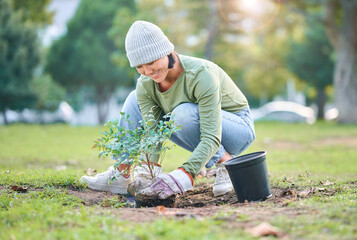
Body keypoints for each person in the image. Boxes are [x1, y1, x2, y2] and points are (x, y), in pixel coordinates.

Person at [80, 20, 255, 199]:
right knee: (134, 98)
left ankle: (226, 164)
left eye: (151, 62)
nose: (148, 71)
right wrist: (148, 170)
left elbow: (212, 135)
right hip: (191, 124)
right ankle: (121, 173)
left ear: (167, 52)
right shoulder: (147, 84)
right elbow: (152, 130)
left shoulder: (201, 74)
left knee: (182, 114)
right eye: (139, 66)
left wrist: (185, 173)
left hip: (236, 128)